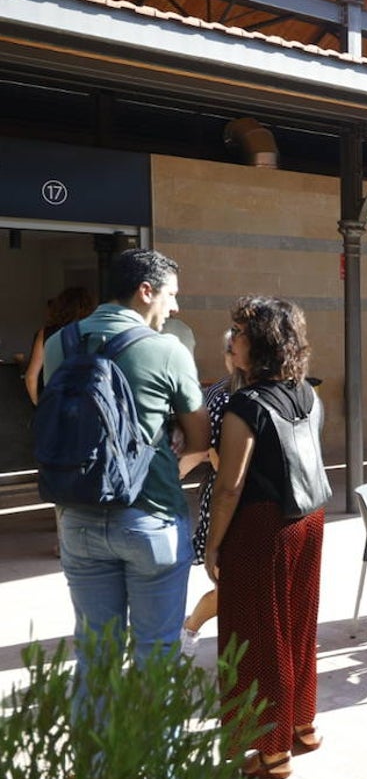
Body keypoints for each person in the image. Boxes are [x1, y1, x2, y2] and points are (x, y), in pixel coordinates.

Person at [42, 249, 209, 683]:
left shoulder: (61, 342)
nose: (175, 308)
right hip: (149, 516)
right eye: (170, 296)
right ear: (145, 290)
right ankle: (153, 752)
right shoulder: (167, 349)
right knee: (156, 656)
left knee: (95, 655)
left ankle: (96, 753)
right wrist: (172, 448)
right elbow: (201, 437)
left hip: (76, 516)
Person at [205, 296, 329, 779]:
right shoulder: (308, 393)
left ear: (258, 344)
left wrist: (214, 544)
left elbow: (230, 485)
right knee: (298, 623)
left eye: (237, 332)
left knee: (259, 634)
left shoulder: (246, 404)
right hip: (310, 519)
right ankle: (302, 725)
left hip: (263, 527)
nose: (231, 340)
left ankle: (273, 751)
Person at [181, 330, 246, 658]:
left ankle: (192, 630)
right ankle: (189, 628)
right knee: (230, 585)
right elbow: (213, 453)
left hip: (244, 500)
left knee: (236, 585)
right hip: (225, 499)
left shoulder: (260, 392)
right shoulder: (222, 395)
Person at [24, 287, 96, 405]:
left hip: (54, 400)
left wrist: (39, 405)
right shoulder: (91, 332)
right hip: (85, 401)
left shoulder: (45, 333)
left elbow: (31, 377)